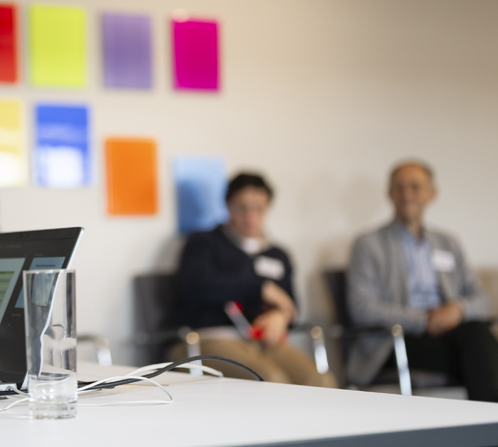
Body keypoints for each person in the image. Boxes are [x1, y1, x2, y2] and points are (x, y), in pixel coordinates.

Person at [346, 161, 498, 401]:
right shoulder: (368, 245)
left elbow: (481, 299)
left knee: (477, 338)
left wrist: (457, 311)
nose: (407, 195)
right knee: (481, 351)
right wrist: (425, 320)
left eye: (415, 187)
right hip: (395, 340)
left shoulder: (448, 243)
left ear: (431, 194)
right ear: (390, 193)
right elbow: (362, 309)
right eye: (399, 187)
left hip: (451, 335)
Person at [172, 173, 336, 387]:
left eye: (258, 208)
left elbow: (290, 304)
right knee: (270, 380)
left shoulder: (277, 254)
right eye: (242, 208)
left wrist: (281, 315)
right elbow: (198, 287)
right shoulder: (204, 244)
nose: (250, 216)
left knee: (321, 381)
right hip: (211, 338)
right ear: (228, 206)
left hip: (264, 341)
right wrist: (261, 289)